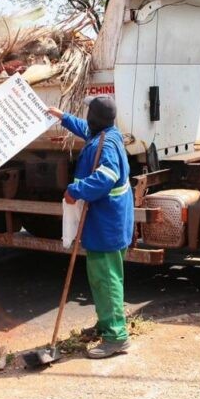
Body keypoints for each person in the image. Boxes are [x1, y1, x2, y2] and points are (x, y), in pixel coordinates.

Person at [47, 96, 134, 359]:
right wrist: (63, 117)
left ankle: (116, 337)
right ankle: (107, 323)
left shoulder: (105, 145)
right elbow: (87, 132)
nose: (86, 119)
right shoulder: (109, 134)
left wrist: (75, 190)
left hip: (106, 222)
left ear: (94, 118)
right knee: (106, 277)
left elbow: (105, 178)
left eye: (87, 114)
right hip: (113, 220)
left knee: (106, 279)